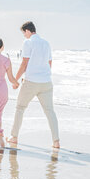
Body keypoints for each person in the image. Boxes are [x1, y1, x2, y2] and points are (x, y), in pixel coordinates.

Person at [7, 21, 60, 149]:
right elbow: (49, 63)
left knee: (20, 108)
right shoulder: (46, 43)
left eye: (24, 33)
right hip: (46, 82)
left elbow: (24, 63)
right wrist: (45, 75)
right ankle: (56, 141)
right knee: (50, 111)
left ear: (28, 31)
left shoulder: (28, 42)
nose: (24, 36)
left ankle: (14, 137)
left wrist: (15, 80)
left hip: (31, 82)